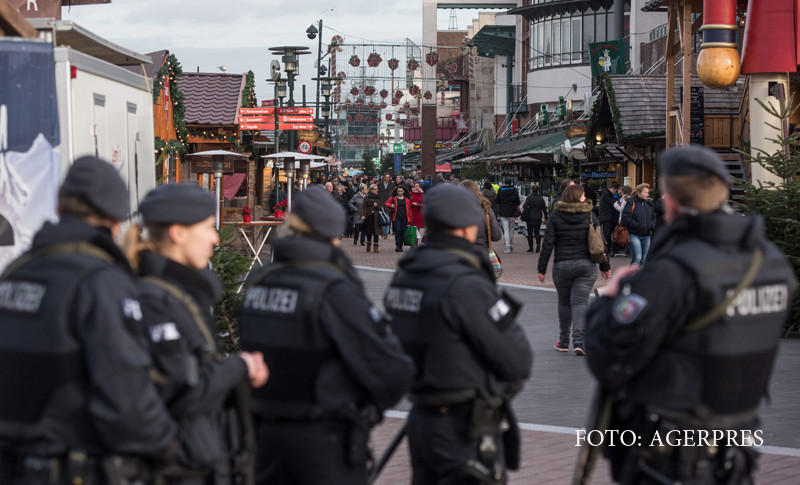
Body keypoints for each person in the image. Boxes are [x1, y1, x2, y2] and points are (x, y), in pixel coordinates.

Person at [583, 145, 798, 485]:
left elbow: (611, 353)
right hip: (737, 443)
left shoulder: (675, 271)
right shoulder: (772, 264)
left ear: (669, 202)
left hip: (672, 451)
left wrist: (610, 301)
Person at [0, 156, 177, 483]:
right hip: (73, 468)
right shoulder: (101, 283)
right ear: (116, 217)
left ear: (58, 206)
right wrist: (166, 443)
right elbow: (126, 396)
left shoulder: (15, 273)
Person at [239, 185, 415, 485]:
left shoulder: (260, 279)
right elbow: (391, 369)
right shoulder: (332, 286)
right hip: (323, 437)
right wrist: (364, 410)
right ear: (333, 234)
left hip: (263, 434)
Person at [385, 184, 532, 485]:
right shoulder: (464, 283)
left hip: (423, 416)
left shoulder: (407, 276)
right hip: (463, 422)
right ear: (468, 225)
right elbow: (517, 359)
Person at [124, 183, 269, 483]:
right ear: (178, 233)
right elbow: (184, 392)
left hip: (194, 460)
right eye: (207, 228)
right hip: (175, 468)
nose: (215, 238)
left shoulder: (180, 292)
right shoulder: (155, 299)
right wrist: (239, 367)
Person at [538, 184, 611, 355]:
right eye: (583, 195)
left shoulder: (556, 216)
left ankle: (563, 341)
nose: (585, 197)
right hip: (585, 266)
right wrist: (605, 266)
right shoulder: (590, 215)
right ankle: (579, 342)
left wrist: (541, 268)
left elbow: (548, 244)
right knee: (580, 303)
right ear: (578, 197)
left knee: (564, 302)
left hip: (562, 265)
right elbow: (600, 243)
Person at [460, 179, 502, 250]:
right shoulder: (485, 208)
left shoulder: (452, 210)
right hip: (480, 251)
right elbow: (496, 236)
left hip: (460, 253)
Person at [621, 183, 656, 265]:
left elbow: (654, 217)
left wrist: (651, 226)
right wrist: (637, 226)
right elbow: (625, 218)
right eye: (645, 192)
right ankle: (632, 277)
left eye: (648, 192)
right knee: (637, 258)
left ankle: (641, 277)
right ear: (639, 193)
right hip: (634, 234)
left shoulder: (649, 204)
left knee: (643, 259)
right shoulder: (631, 202)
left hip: (646, 235)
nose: (647, 194)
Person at [496, 177, 521, 253]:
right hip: (512, 212)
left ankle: (508, 246)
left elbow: (498, 201)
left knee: (506, 230)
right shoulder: (514, 191)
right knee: (511, 230)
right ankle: (510, 244)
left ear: (504, 183)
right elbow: (518, 202)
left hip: (503, 213)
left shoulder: (500, 191)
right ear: (511, 183)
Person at [521, 183, 548, 253]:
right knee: (537, 232)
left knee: (530, 233)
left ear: (531, 190)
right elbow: (544, 209)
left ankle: (531, 247)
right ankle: (538, 245)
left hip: (529, 217)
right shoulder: (541, 198)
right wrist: (546, 217)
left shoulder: (529, 198)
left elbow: (524, 206)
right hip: (538, 217)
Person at [385, 185, 413, 252]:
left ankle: (400, 245)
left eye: (401, 191)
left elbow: (409, 209)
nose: (400, 192)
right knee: (398, 230)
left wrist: (410, 219)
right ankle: (397, 245)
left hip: (404, 217)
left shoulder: (406, 199)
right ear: (397, 191)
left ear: (403, 192)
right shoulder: (394, 198)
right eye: (398, 191)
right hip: (396, 216)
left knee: (402, 231)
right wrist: (391, 205)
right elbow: (386, 203)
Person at [359, 184, 384, 253]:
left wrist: (377, 206)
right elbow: (363, 207)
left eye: (377, 189)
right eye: (375, 189)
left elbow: (382, 207)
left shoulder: (379, 197)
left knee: (376, 232)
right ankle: (368, 244)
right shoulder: (367, 197)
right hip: (369, 216)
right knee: (369, 232)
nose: (377, 190)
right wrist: (362, 215)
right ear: (371, 190)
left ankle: (376, 246)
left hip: (377, 217)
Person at [597, 180, 620, 257]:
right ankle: (607, 252)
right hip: (606, 217)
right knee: (607, 235)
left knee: (607, 234)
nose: (615, 193)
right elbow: (612, 203)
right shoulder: (607, 194)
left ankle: (607, 251)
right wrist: (617, 202)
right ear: (613, 188)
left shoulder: (605, 193)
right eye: (615, 191)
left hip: (604, 216)